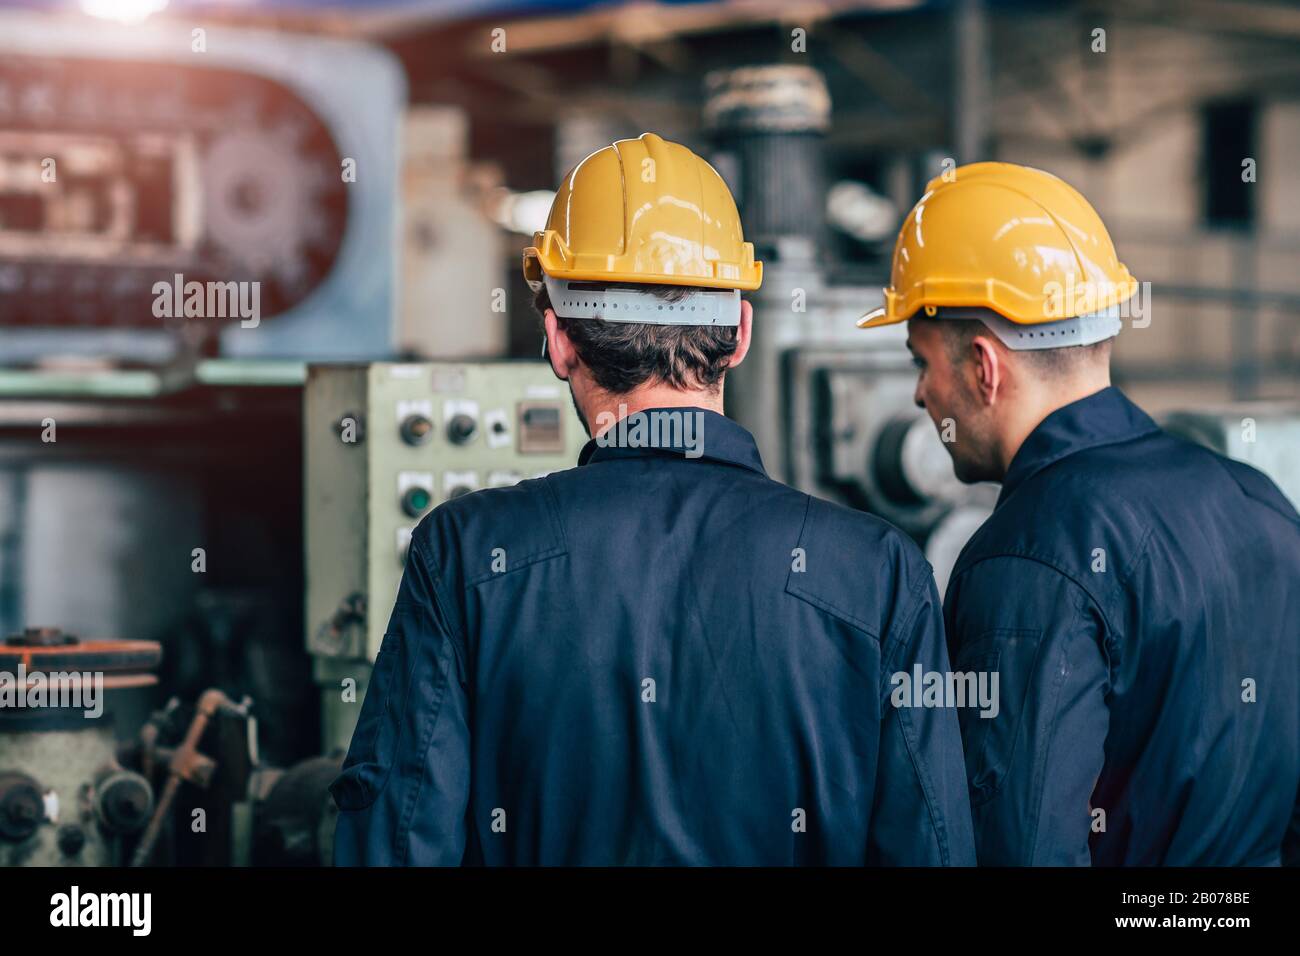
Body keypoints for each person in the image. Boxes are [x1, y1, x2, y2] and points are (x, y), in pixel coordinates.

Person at [330, 133, 974, 865]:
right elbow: (931, 846)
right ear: (738, 334)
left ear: (558, 340)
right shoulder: (879, 571)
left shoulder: (467, 554)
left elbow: (397, 842)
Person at [859, 161, 1300, 865]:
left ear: (983, 367)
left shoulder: (1024, 560)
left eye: (921, 363)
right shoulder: (1261, 503)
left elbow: (1024, 847)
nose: (919, 396)